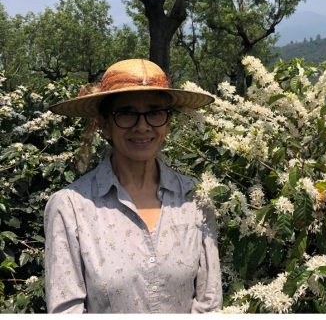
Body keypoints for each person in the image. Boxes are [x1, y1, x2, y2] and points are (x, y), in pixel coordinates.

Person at [44, 58, 222, 313]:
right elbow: (66, 311)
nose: (142, 126)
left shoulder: (195, 199)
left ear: (168, 122)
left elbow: (209, 302)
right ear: (104, 124)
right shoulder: (71, 207)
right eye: (126, 113)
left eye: (154, 112)